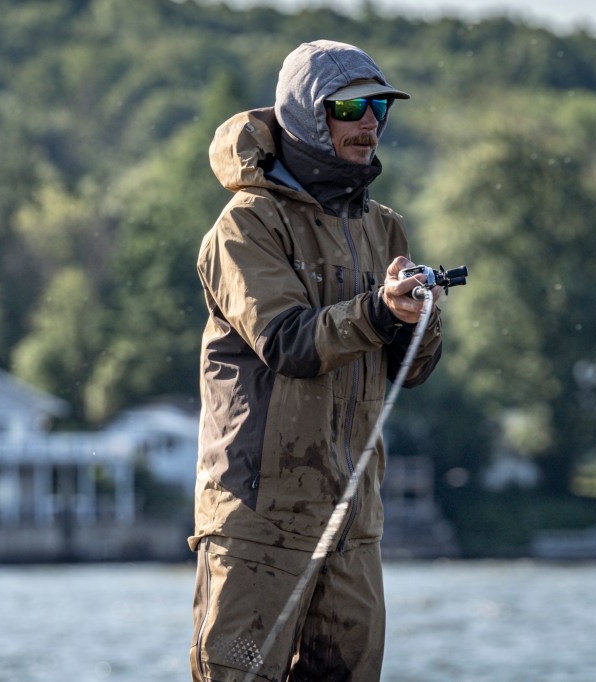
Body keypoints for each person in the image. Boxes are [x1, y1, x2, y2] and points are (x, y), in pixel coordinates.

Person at [189, 40, 444, 682]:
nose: (369, 123)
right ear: (306, 114)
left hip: (354, 529)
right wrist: (378, 311)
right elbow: (288, 342)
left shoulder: (386, 227)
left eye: (380, 108)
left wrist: (418, 316)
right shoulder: (246, 224)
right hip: (258, 526)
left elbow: (412, 371)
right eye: (350, 108)